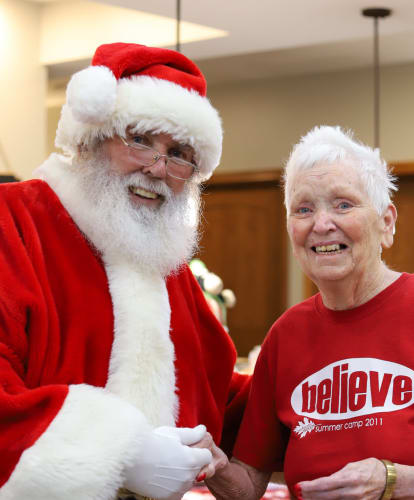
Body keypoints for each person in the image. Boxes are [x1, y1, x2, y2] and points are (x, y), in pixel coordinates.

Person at [0, 42, 250, 500]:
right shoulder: (13, 220)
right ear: (93, 136)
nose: (157, 168)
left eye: (178, 153)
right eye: (139, 140)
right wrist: (122, 452)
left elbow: (216, 387)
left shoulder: (161, 262)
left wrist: (312, 380)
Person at [204, 126, 414, 499]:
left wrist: (392, 480)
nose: (322, 224)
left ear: (386, 223)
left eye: (343, 204)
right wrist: (211, 463)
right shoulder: (285, 335)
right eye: (304, 209)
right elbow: (248, 485)